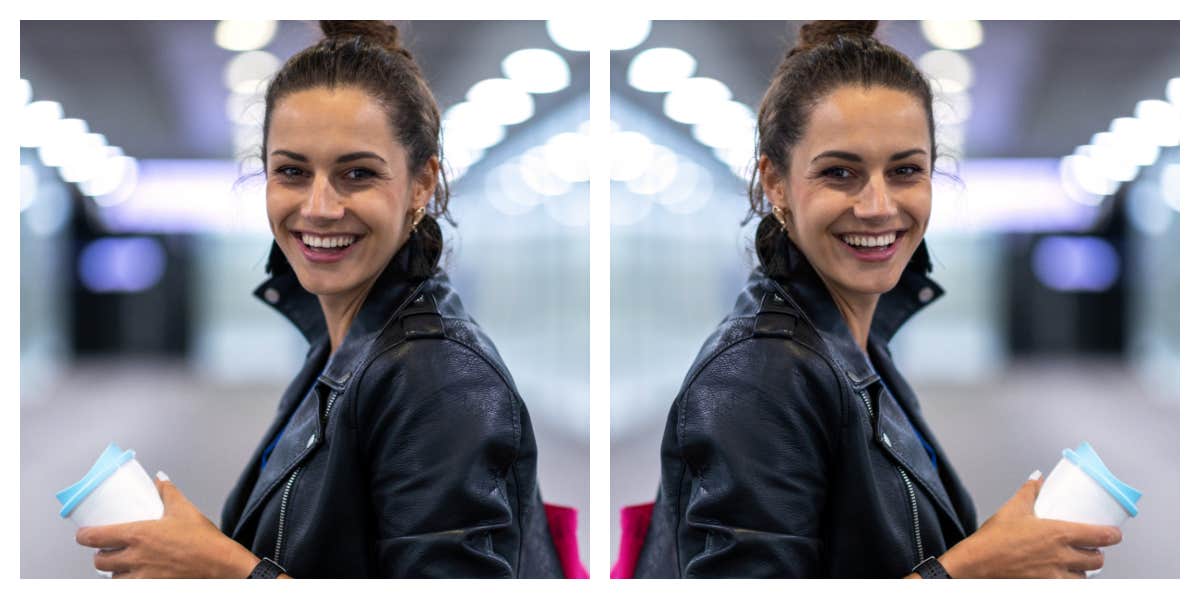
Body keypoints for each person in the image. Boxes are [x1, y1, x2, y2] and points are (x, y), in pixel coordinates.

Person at [74, 20, 564, 578]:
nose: (320, 207)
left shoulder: (440, 378)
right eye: (292, 171)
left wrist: (224, 568)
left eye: (357, 173)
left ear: (422, 184)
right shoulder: (348, 348)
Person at [633, 20, 1122, 578]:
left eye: (905, 170)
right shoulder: (756, 379)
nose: (877, 206)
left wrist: (997, 553)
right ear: (775, 183)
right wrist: (971, 569)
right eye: (840, 173)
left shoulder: (852, 348)